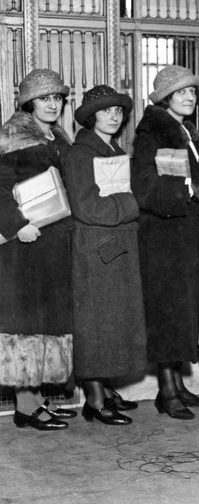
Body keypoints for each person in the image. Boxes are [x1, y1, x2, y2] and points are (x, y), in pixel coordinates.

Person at [63, 85, 147, 425]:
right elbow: (86, 207)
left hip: (112, 249)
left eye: (118, 110)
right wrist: (130, 203)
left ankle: (105, 391)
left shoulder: (110, 148)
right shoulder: (81, 154)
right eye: (106, 110)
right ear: (90, 117)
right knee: (96, 325)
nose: (115, 115)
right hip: (96, 251)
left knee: (110, 325)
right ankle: (94, 400)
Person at [132, 65, 199, 419]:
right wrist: (188, 190)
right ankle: (166, 392)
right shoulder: (152, 129)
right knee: (166, 313)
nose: (190, 97)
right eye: (182, 92)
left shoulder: (184, 130)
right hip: (163, 237)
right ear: (165, 98)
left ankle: (177, 384)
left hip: (181, 234)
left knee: (179, 311)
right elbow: (145, 184)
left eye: (192, 91)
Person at [0, 69, 75, 430]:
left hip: (53, 242)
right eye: (45, 98)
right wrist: (18, 227)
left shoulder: (57, 136)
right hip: (25, 246)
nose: (52, 104)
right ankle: (26, 408)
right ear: (28, 103)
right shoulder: (13, 135)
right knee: (28, 324)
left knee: (46, 322)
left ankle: (39, 401)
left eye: (58, 98)